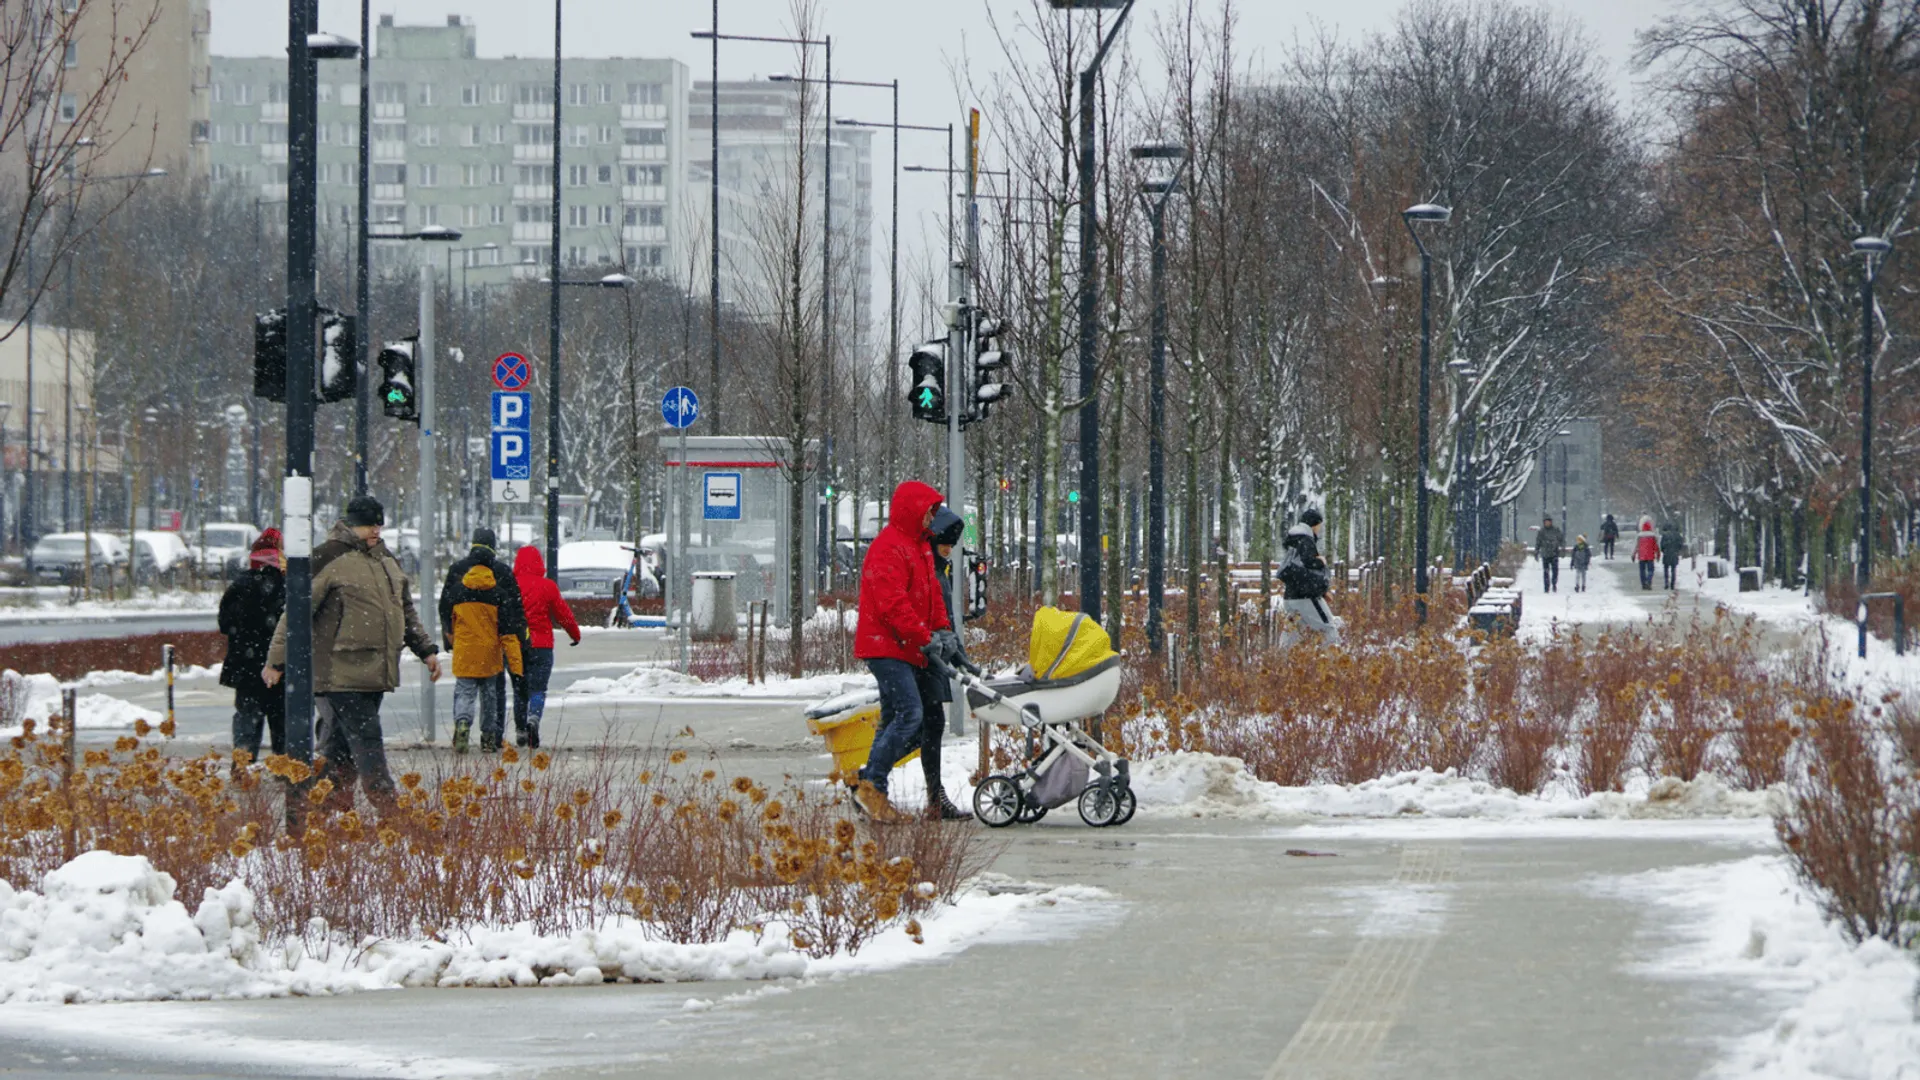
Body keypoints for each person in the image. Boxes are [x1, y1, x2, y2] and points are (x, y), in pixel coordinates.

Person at [265, 494, 441, 812]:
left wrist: (426, 650)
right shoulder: (328, 557)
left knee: (339, 751)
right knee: (368, 739)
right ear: (351, 523)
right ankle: (389, 808)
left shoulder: (386, 559)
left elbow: (403, 610)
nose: (375, 529)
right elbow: (296, 612)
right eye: (367, 524)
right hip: (339, 671)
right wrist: (277, 660)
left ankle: (323, 810)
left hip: (375, 671)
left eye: (378, 523)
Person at [851, 480, 958, 823]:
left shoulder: (920, 546)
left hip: (904, 646)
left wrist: (942, 629)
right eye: (929, 510)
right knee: (910, 715)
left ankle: (869, 790)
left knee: (891, 718)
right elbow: (892, 604)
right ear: (914, 509)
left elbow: (932, 595)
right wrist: (923, 635)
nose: (932, 517)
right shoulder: (889, 548)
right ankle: (871, 785)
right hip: (885, 645)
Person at [440, 526, 529, 753]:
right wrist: (519, 639)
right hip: (491, 647)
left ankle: (462, 722)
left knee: (464, 690)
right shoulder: (502, 576)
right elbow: (514, 611)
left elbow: (445, 608)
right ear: (494, 546)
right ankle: (491, 736)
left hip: (464, 646)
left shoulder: (458, 573)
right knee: (492, 693)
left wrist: (450, 637)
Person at [917, 505, 972, 820]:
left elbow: (945, 618)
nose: (949, 549)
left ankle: (935, 797)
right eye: (944, 543)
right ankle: (870, 778)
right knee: (921, 724)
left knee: (929, 725)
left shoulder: (939, 570)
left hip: (934, 654)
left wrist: (957, 651)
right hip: (926, 656)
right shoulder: (931, 571)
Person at [219, 528, 286, 765]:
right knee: (282, 722)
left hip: (247, 667)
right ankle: (285, 770)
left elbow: (225, 624)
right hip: (280, 667)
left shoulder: (240, 585)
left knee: (248, 720)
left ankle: (243, 769)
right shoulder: (288, 584)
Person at [511, 543, 581, 749]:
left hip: (517, 645)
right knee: (538, 689)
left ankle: (520, 731)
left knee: (519, 690)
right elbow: (563, 614)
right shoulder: (547, 586)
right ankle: (533, 717)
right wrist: (574, 634)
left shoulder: (511, 585)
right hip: (542, 645)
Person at [1279, 508, 1338, 643]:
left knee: (1292, 633)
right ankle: (1333, 660)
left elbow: (1297, 569)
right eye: (1319, 526)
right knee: (1328, 628)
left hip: (1291, 596)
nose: (1319, 529)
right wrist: (1320, 561)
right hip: (1306, 597)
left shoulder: (1293, 541)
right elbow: (1308, 563)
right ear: (1313, 524)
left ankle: (1280, 661)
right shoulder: (1305, 539)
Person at [1536, 515, 1564, 593]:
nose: (1547, 523)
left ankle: (1554, 583)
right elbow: (1538, 542)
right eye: (1546, 522)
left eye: (1548, 522)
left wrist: (1562, 548)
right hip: (1545, 554)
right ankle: (1546, 587)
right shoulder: (1541, 531)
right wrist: (1537, 551)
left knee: (1555, 571)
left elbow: (1561, 539)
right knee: (1546, 572)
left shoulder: (1556, 530)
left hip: (1554, 553)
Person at [1635, 516, 1660, 590]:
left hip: (1641, 556)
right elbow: (1656, 547)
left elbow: (1636, 546)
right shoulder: (1652, 536)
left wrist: (1633, 554)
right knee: (1650, 570)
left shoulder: (1639, 536)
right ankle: (1649, 581)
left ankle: (1643, 584)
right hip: (1650, 556)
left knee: (1642, 571)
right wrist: (1658, 554)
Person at [1660, 522, 1685, 590]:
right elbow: (1680, 544)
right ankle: (1672, 583)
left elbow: (1662, 546)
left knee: (1666, 569)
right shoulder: (1677, 535)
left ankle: (1666, 582)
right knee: (1673, 569)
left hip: (1667, 554)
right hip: (1674, 553)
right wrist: (1677, 550)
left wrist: (1664, 550)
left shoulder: (1664, 535)